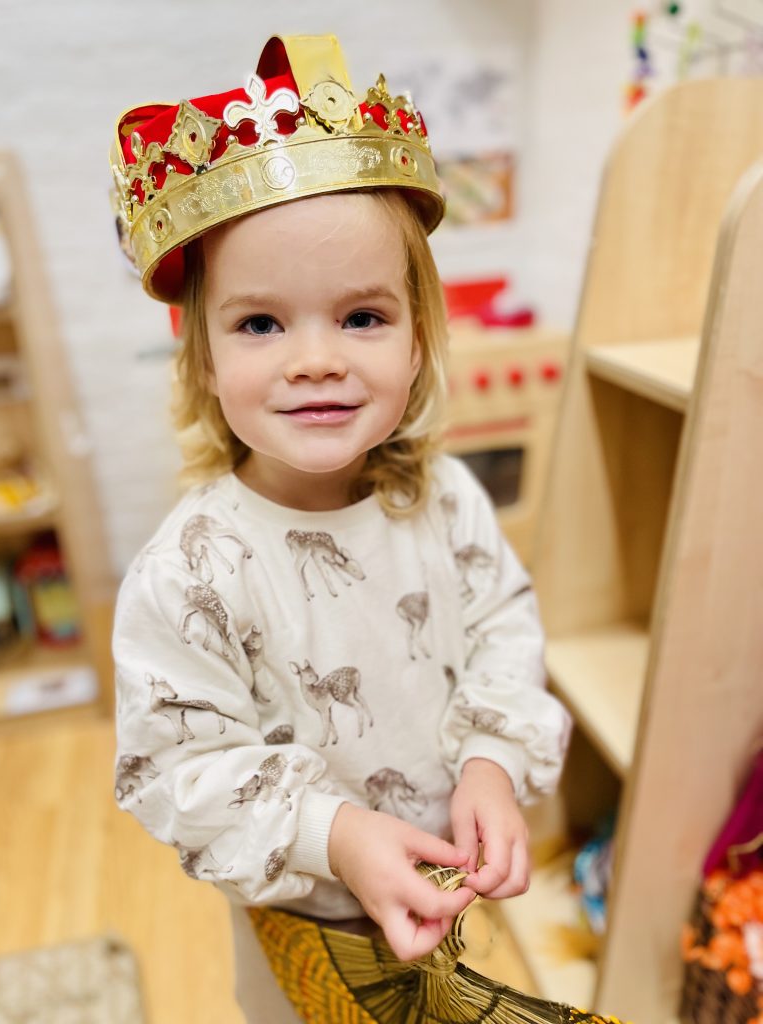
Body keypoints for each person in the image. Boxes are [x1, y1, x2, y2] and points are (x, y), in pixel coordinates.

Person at [110, 33, 572, 1023]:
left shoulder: (443, 501)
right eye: (262, 324)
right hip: (301, 921)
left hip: (438, 890)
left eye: (361, 316)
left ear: (418, 336)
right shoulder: (186, 575)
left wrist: (493, 758)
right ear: (196, 354)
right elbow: (179, 769)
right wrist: (337, 835)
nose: (314, 359)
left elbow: (504, 629)